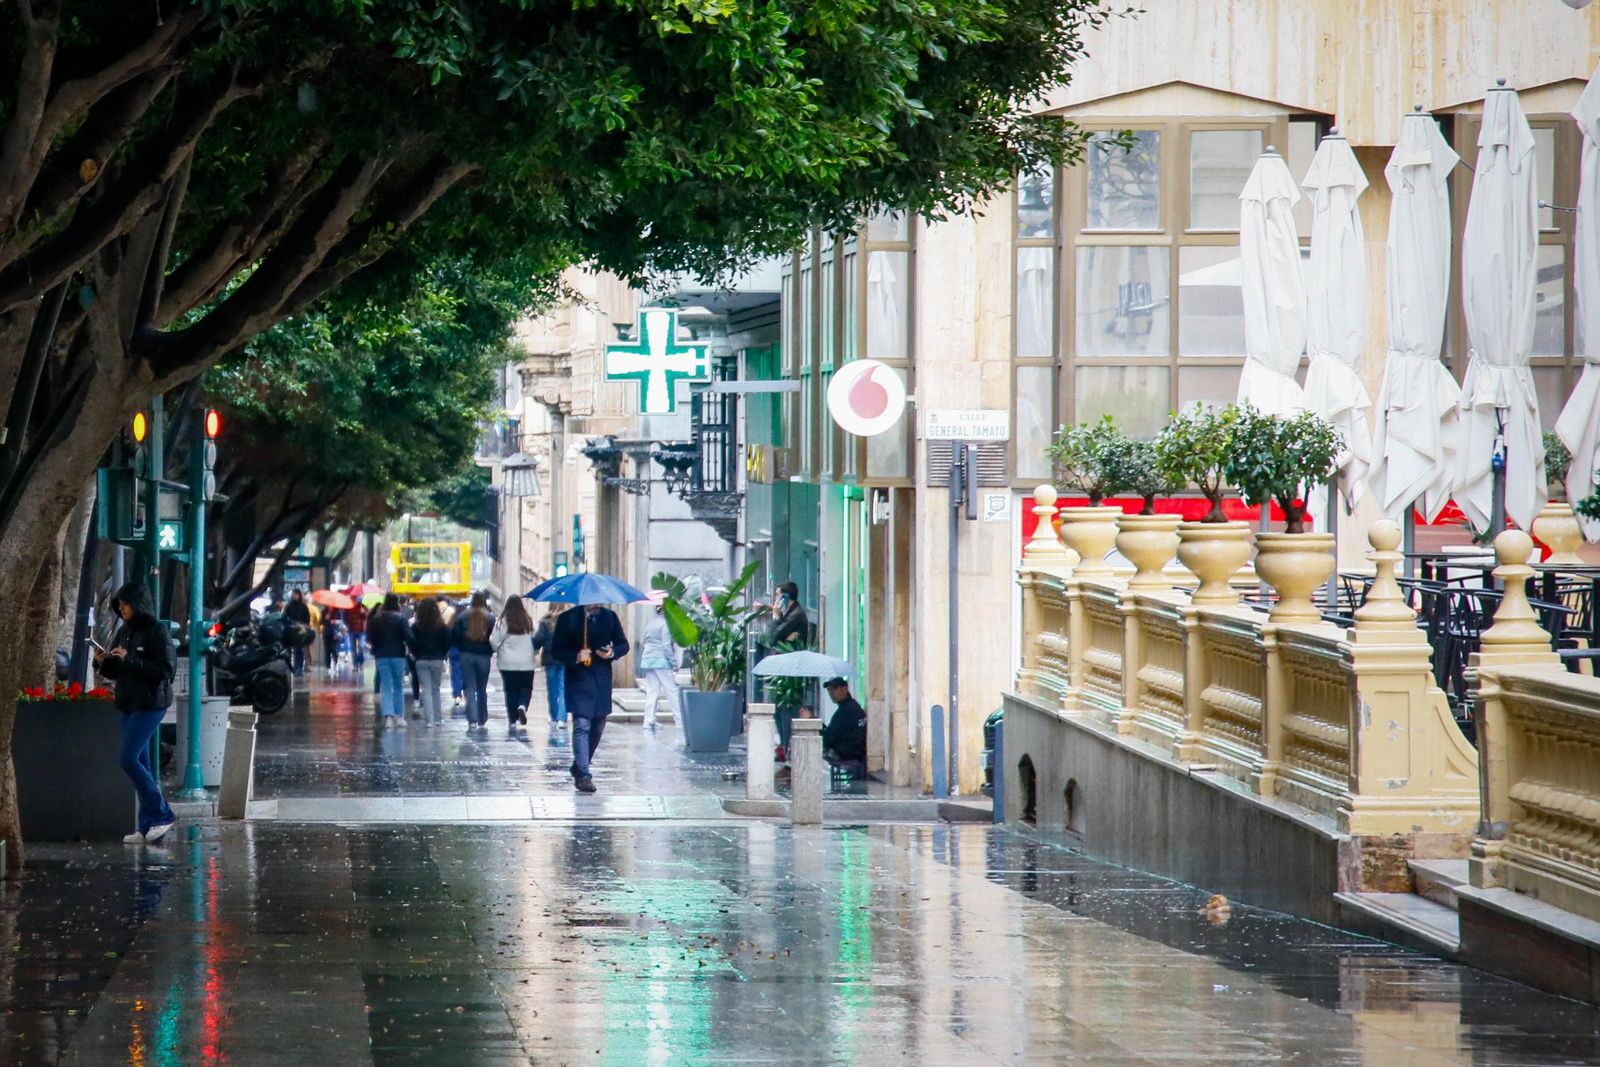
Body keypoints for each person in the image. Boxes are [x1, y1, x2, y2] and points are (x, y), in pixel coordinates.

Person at [93, 582, 177, 845]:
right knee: (142, 762)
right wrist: (103, 663)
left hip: (151, 704)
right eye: (119, 605)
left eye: (126, 603)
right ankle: (146, 824)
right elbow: (118, 671)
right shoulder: (124, 631)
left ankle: (162, 813)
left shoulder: (157, 632)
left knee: (128, 758)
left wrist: (130, 659)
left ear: (137, 604)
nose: (122, 608)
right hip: (128, 702)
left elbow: (165, 671)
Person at [551, 602, 630, 793]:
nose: (598, 604)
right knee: (581, 724)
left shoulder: (609, 617)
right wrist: (576, 656)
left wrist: (611, 653)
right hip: (578, 680)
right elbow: (556, 649)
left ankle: (579, 765)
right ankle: (584, 775)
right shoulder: (567, 618)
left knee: (598, 726)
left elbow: (623, 644)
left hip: (601, 680)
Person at [491, 595, 537, 731]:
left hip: (507, 662)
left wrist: (497, 650)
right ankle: (522, 705)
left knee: (510, 690)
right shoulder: (530, 622)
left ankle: (512, 720)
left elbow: (493, 642)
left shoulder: (502, 622)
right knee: (526, 687)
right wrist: (534, 651)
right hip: (526, 662)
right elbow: (537, 639)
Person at [452, 591, 495, 729]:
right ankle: (482, 717)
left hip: (466, 654)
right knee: (482, 688)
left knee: (469, 687)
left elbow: (455, 636)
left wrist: (462, 646)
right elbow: (493, 637)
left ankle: (472, 718)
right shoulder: (490, 618)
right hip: (483, 656)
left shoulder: (463, 616)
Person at [367, 593, 410, 728]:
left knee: (385, 686)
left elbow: (371, 637)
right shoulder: (401, 618)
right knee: (398, 685)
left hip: (381, 655)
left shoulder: (376, 619)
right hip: (398, 655)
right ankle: (400, 716)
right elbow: (408, 636)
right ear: (396, 602)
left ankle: (389, 717)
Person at [407, 597, 452, 726]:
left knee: (425, 689)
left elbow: (411, 642)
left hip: (421, 660)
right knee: (435, 689)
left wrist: (415, 654)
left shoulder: (416, 627)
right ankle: (438, 718)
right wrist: (443, 655)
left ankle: (429, 719)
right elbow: (448, 641)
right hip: (437, 659)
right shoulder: (442, 626)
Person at [636, 603, 679, 730]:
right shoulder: (666, 624)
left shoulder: (650, 623)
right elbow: (666, 645)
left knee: (652, 690)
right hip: (661, 660)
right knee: (671, 690)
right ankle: (680, 719)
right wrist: (674, 663)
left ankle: (648, 720)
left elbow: (645, 641)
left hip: (647, 659)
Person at [820, 676, 868, 774]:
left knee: (812, 746)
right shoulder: (853, 706)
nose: (831, 694)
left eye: (833, 690)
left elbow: (828, 738)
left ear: (845, 689)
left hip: (846, 753)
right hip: (855, 751)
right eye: (829, 690)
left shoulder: (845, 711)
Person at [533, 604, 567, 729]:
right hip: (565, 659)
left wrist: (533, 648)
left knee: (552, 689)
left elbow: (538, 640)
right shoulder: (568, 622)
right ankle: (562, 719)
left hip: (550, 659)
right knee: (563, 689)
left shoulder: (545, 623)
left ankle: (553, 716)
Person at [284, 589, 312, 677]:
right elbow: (285, 617)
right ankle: (293, 668)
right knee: (291, 650)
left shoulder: (303, 606)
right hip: (291, 630)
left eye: (296, 594)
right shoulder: (289, 606)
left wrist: (304, 628)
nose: (294, 596)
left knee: (299, 650)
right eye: (293, 594)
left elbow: (307, 619)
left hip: (300, 630)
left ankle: (298, 667)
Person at [347, 601, 368, 669]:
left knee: (361, 647)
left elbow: (367, 616)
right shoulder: (349, 608)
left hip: (361, 631)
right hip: (352, 630)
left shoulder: (363, 607)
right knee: (353, 648)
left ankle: (361, 663)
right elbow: (345, 618)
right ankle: (355, 665)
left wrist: (363, 612)